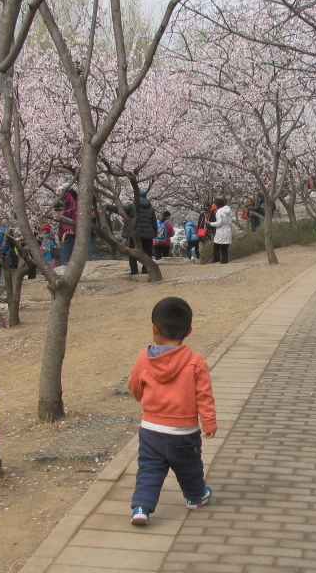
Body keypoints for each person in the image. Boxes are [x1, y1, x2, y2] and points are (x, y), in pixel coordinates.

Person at [128, 297, 217, 526]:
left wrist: (144, 399)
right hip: (183, 431)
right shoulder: (196, 361)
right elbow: (204, 396)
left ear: (154, 329)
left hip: (151, 429)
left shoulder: (143, 359)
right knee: (189, 466)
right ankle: (195, 496)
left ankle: (141, 507)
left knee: (149, 468)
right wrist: (208, 422)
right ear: (188, 330)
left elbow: (135, 387)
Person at [106, 192, 157, 275]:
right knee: (148, 252)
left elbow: (120, 210)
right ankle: (146, 270)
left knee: (133, 252)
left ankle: (134, 271)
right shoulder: (151, 208)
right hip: (148, 234)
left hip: (135, 234)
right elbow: (154, 222)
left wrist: (108, 206)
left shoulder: (132, 206)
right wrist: (154, 233)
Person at [208, 198, 233, 263]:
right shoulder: (229, 210)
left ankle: (216, 260)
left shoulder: (219, 212)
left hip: (221, 230)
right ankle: (225, 260)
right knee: (225, 247)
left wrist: (211, 224)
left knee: (216, 245)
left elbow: (219, 223)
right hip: (228, 229)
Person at [57, 188, 78, 266]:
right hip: (72, 227)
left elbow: (67, 212)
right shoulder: (74, 198)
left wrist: (62, 216)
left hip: (69, 228)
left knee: (66, 246)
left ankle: (65, 263)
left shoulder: (69, 199)